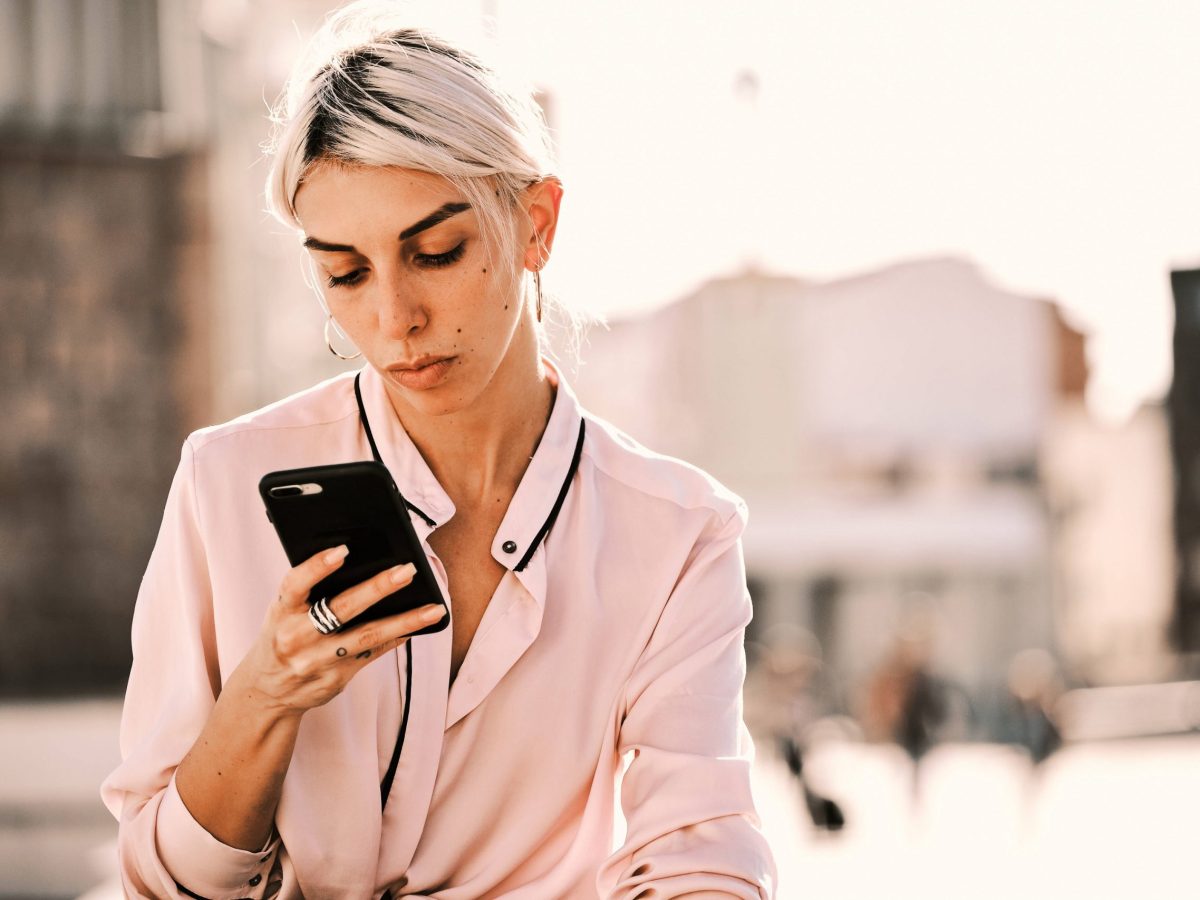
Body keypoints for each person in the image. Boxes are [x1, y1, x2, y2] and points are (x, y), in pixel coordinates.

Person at [100, 3, 776, 898]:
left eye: (437, 251)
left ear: (537, 223)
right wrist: (267, 693)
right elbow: (166, 881)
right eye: (344, 273)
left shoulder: (677, 535)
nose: (393, 319)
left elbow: (701, 857)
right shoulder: (227, 485)